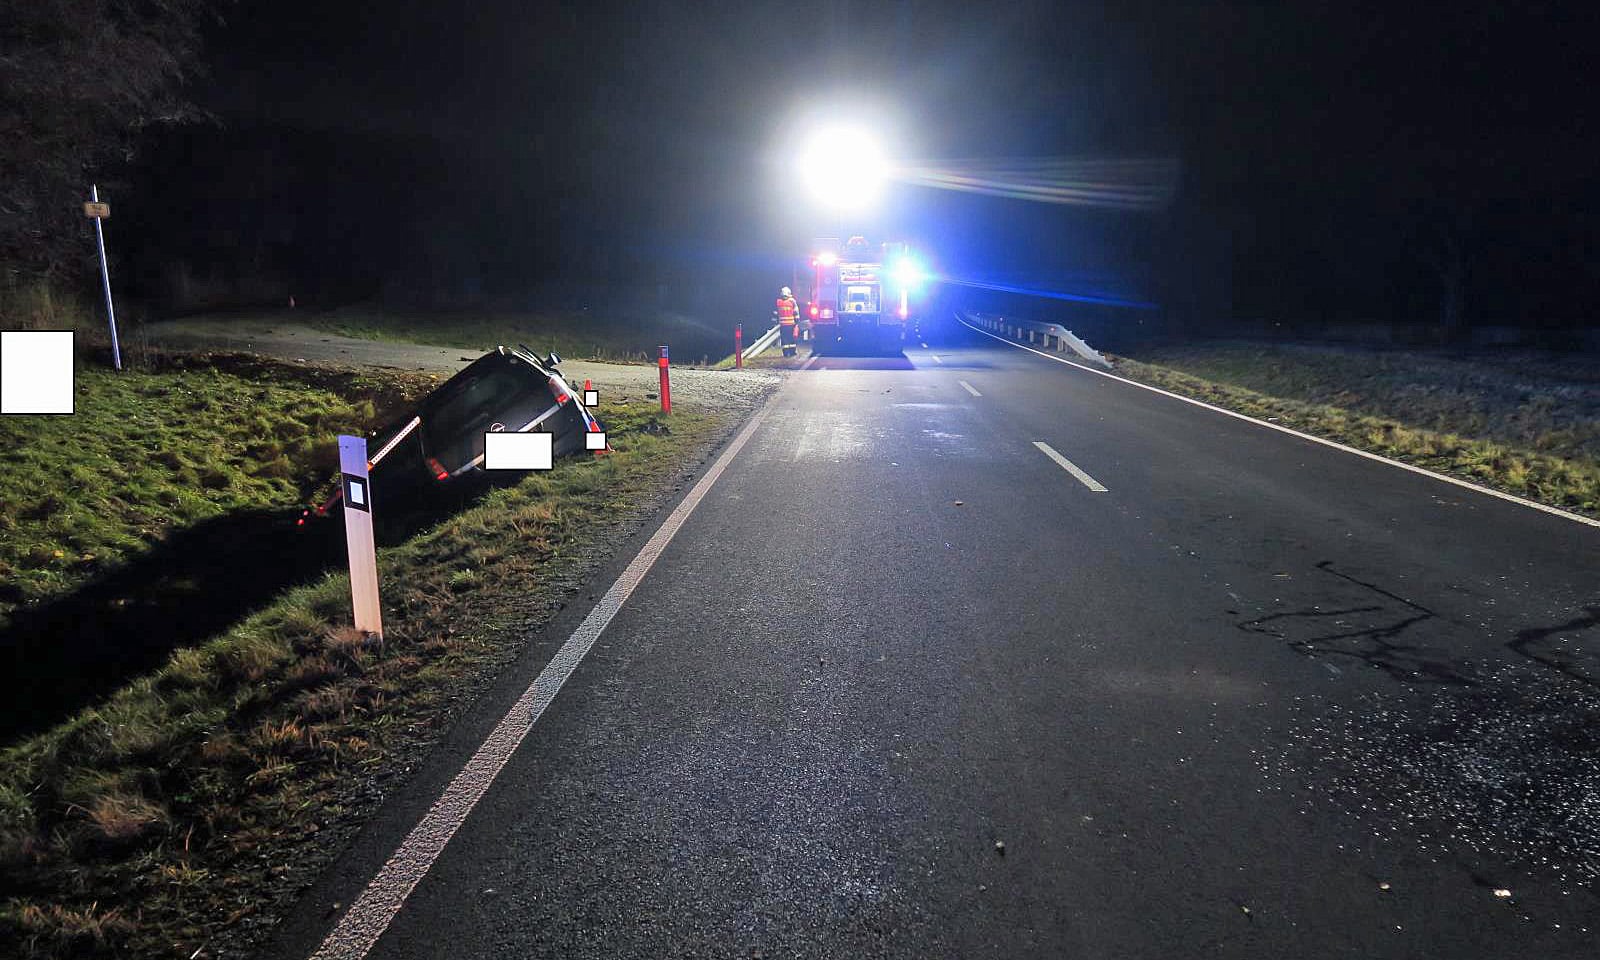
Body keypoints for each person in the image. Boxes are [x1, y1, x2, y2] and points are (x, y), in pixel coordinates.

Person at [776, 286, 800, 357]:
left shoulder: (779, 302)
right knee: (791, 339)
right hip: (791, 324)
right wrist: (797, 321)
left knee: (784, 339)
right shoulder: (792, 301)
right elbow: (796, 312)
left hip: (782, 325)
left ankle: (786, 353)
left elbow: (776, 313)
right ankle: (792, 352)